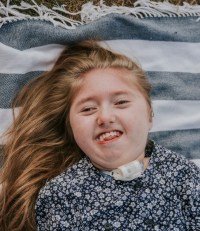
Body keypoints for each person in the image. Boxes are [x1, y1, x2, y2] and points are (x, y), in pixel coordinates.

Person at [0, 40, 199, 231]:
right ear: (71, 129)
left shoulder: (185, 178)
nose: (104, 117)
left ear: (149, 115)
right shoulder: (61, 194)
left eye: (121, 102)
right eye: (87, 109)